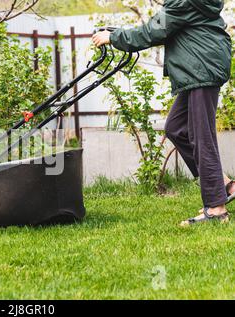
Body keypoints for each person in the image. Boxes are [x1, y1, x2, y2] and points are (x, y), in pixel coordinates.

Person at [92, 0, 233, 226]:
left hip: (200, 69)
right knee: (176, 129)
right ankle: (224, 185)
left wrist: (114, 38)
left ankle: (216, 208)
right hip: (198, 69)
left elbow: (153, 31)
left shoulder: (186, 1)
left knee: (201, 137)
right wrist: (120, 33)